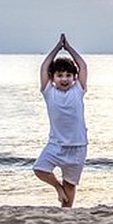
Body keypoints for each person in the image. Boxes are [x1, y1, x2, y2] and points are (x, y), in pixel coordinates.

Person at [33, 34, 89, 207]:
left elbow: (83, 66)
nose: (64, 79)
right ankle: (58, 188)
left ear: (74, 78)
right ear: (52, 77)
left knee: (70, 184)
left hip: (78, 146)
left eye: (68, 75)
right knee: (39, 169)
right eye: (60, 75)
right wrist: (58, 47)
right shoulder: (49, 91)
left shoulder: (78, 89)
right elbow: (44, 67)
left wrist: (69, 48)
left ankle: (66, 212)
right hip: (56, 145)